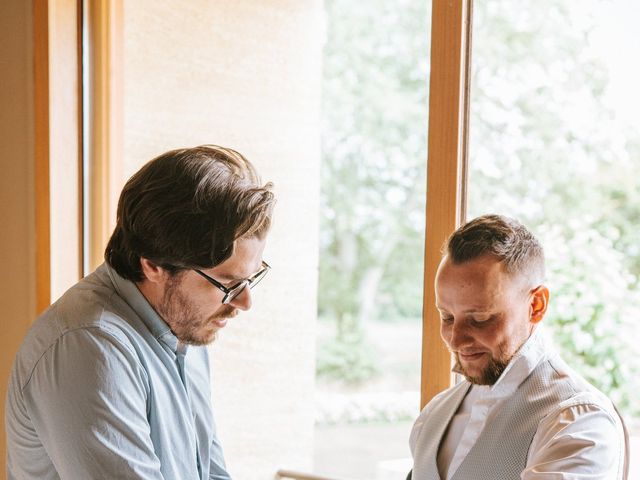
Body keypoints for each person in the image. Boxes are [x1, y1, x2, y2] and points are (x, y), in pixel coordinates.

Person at [5, 145, 275, 479]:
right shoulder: (90, 348)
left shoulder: (185, 324)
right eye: (227, 282)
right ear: (153, 265)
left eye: (251, 277)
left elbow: (210, 472)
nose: (244, 301)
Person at [409, 214, 628, 480]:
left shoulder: (578, 424)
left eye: (480, 319)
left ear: (536, 306)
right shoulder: (434, 416)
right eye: (447, 317)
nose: (455, 340)